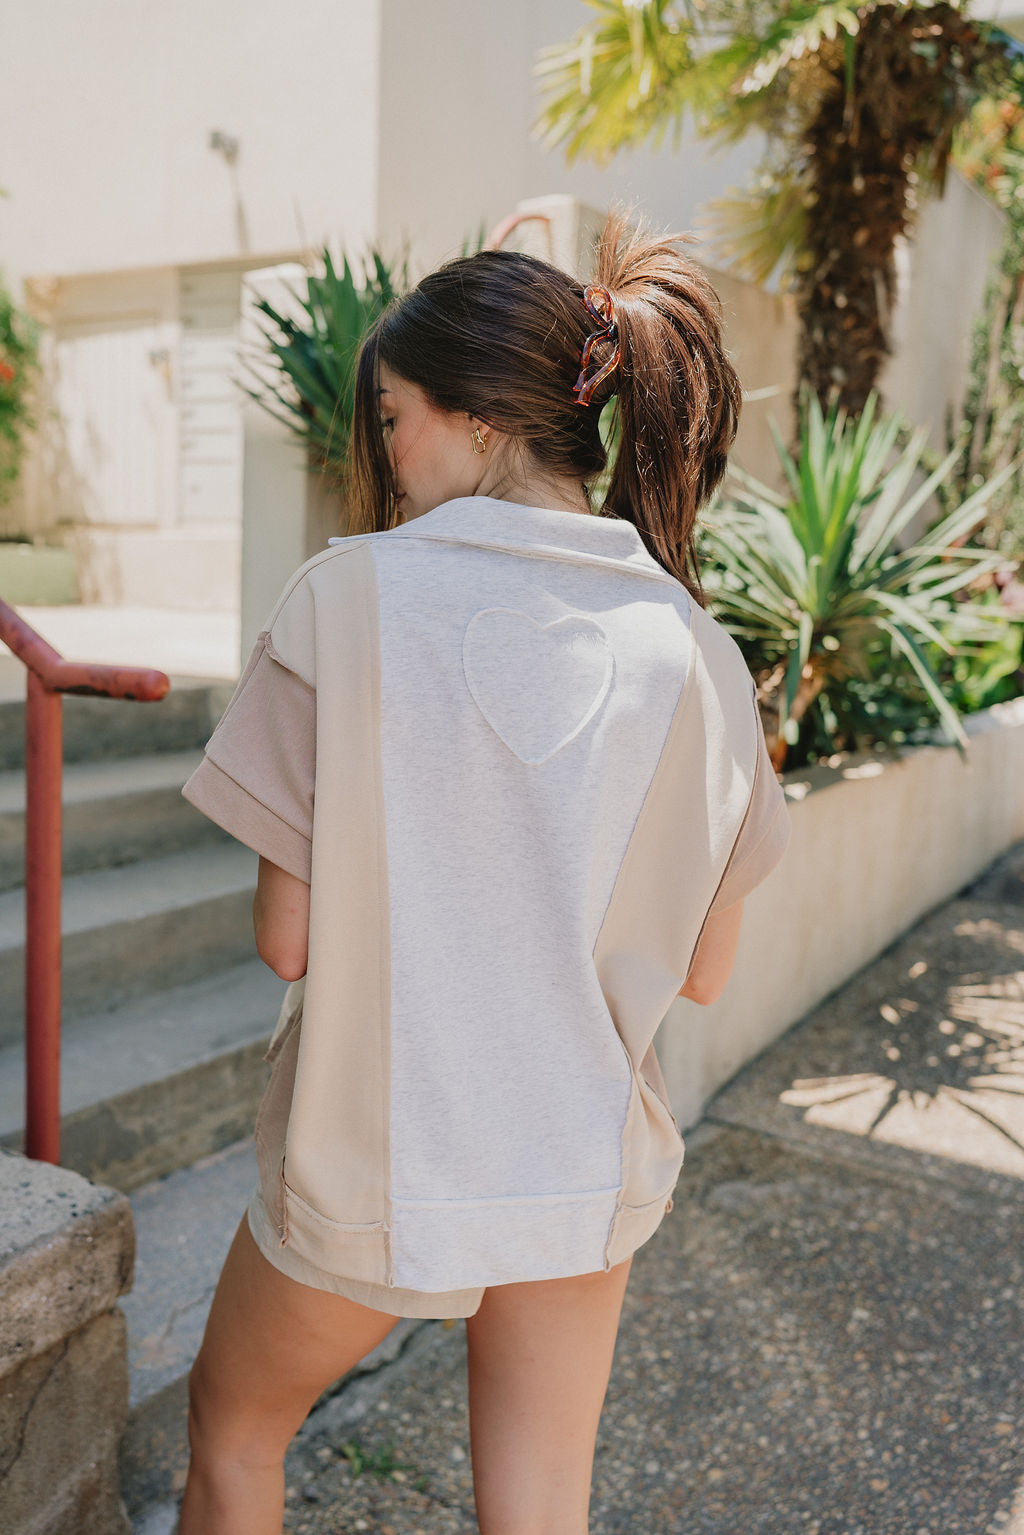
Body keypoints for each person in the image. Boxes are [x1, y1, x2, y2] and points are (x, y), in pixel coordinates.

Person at [177, 208, 791, 1535]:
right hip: (578, 1164)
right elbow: (706, 971)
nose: (387, 457)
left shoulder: (343, 605)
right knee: (539, 1514)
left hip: (374, 1163)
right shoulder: (697, 651)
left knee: (232, 1434)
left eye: (392, 419)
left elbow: (288, 944)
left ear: (480, 419)